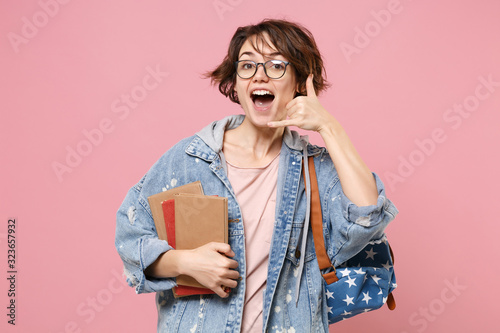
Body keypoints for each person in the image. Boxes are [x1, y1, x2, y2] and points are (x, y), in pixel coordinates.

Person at [115, 19, 398, 332]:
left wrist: (329, 127)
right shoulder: (190, 159)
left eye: (276, 65)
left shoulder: (315, 169)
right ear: (235, 82)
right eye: (247, 65)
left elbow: (366, 217)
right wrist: (184, 263)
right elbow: (131, 236)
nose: (260, 75)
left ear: (300, 82)